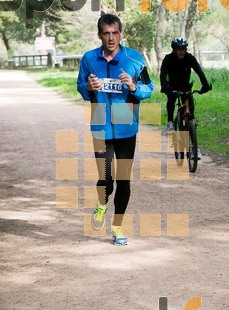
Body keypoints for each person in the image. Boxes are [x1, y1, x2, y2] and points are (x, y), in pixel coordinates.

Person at [77, 14, 154, 246]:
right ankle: (102, 204)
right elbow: (81, 86)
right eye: (106, 33)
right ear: (100, 35)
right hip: (100, 125)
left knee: (124, 180)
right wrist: (87, 87)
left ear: (121, 33)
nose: (111, 38)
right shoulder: (89, 59)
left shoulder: (135, 58)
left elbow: (149, 88)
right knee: (106, 178)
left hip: (126, 128)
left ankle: (117, 226)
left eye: (115, 33)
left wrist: (133, 86)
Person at [160, 37, 211, 156]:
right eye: (178, 49)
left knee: (190, 116)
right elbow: (163, 73)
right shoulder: (168, 59)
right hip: (172, 87)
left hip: (186, 87)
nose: (181, 51)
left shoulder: (189, 58)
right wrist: (164, 86)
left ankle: (194, 147)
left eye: (183, 49)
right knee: (171, 100)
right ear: (174, 50)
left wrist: (205, 85)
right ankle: (170, 122)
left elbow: (199, 71)